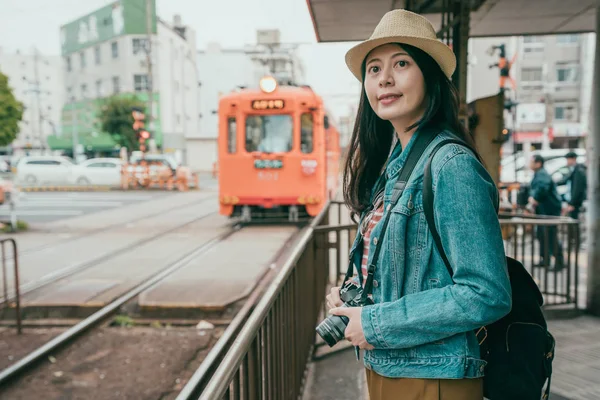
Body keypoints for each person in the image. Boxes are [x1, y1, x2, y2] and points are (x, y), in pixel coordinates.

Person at [325, 9, 511, 400]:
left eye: (401, 63)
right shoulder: (395, 165)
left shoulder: (450, 166)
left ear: (430, 76)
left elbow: (486, 291)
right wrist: (353, 297)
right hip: (391, 368)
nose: (384, 79)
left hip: (433, 378)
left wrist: (375, 323)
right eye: (373, 69)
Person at [528, 154, 564, 270]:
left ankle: (558, 262)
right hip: (544, 210)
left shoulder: (542, 174)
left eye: (532, 162)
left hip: (549, 210)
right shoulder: (539, 173)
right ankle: (545, 259)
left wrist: (535, 198)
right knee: (542, 235)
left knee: (550, 235)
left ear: (538, 163)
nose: (530, 164)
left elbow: (543, 188)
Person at [557, 151, 587, 220]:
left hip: (576, 202)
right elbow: (564, 180)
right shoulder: (573, 170)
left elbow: (577, 188)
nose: (567, 162)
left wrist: (572, 203)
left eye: (568, 159)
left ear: (573, 159)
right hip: (572, 201)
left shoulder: (578, 171)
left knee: (574, 221)